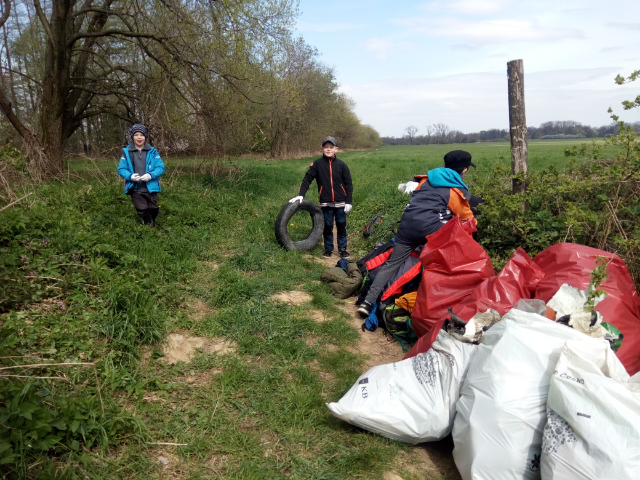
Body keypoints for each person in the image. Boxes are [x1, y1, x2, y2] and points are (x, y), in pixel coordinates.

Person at [357, 150, 478, 318]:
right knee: (438, 265)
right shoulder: (455, 191)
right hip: (430, 231)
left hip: (407, 227)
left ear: (444, 165)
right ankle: (430, 307)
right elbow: (468, 220)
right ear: (464, 170)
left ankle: (367, 303)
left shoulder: (425, 181)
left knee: (391, 265)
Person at [289, 136, 353, 258]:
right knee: (328, 226)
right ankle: (328, 249)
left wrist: (348, 201)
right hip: (325, 203)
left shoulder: (342, 165)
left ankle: (342, 249)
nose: (328, 149)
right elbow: (307, 179)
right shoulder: (317, 164)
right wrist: (301, 195)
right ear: (322, 149)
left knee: (341, 225)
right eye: (326, 147)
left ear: (336, 149)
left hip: (341, 202)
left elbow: (349, 184)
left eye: (331, 147)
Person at [117, 124, 165, 227]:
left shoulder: (153, 152)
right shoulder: (127, 153)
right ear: (132, 137)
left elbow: (160, 167)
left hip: (151, 187)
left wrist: (150, 175)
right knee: (142, 208)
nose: (139, 137)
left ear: (145, 137)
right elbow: (121, 169)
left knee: (154, 209)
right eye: (136, 135)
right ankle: (147, 225)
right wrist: (130, 176)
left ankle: (151, 219)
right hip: (135, 187)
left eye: (142, 135)